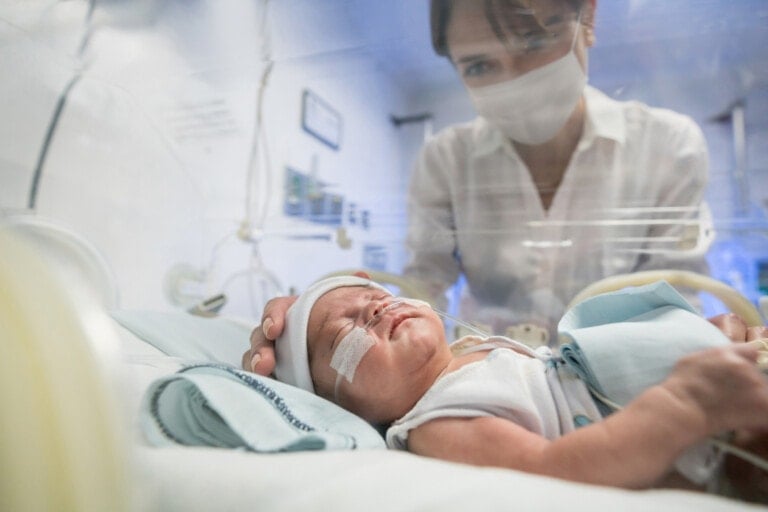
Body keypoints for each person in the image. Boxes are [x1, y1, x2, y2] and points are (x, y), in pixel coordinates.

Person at [262, 275, 768, 499]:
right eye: (341, 333)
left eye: (376, 295)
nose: (375, 307)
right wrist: (687, 403)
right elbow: (554, 471)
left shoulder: (468, 354)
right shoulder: (437, 424)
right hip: (691, 435)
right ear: (338, 403)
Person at [404, 0, 711, 336]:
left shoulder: (667, 145)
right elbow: (421, 291)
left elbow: (675, 306)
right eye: (479, 67)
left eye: (533, 42)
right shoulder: (445, 161)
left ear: (588, 18)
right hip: (482, 373)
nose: (514, 82)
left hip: (618, 383)